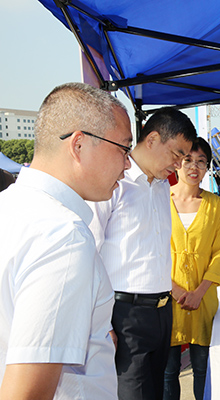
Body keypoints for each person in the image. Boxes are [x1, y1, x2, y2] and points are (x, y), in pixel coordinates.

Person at [0, 82, 132, 399]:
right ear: (79, 145)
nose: (128, 165)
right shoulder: (63, 236)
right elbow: (27, 392)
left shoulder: (10, 207)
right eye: (124, 149)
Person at [89, 107, 197, 400]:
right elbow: (90, 253)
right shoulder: (114, 182)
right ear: (152, 139)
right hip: (125, 314)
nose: (179, 164)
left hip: (162, 311)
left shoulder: (162, 187)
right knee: (132, 392)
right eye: (176, 154)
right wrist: (100, 323)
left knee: (156, 391)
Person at [163, 137, 220, 400]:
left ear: (207, 167)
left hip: (203, 301)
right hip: (166, 301)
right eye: (188, 159)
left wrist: (200, 292)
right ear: (177, 162)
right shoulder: (160, 199)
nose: (194, 167)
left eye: (201, 161)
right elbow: (151, 252)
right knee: (168, 372)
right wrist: (175, 290)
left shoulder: (216, 205)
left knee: (203, 369)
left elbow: (218, 253)